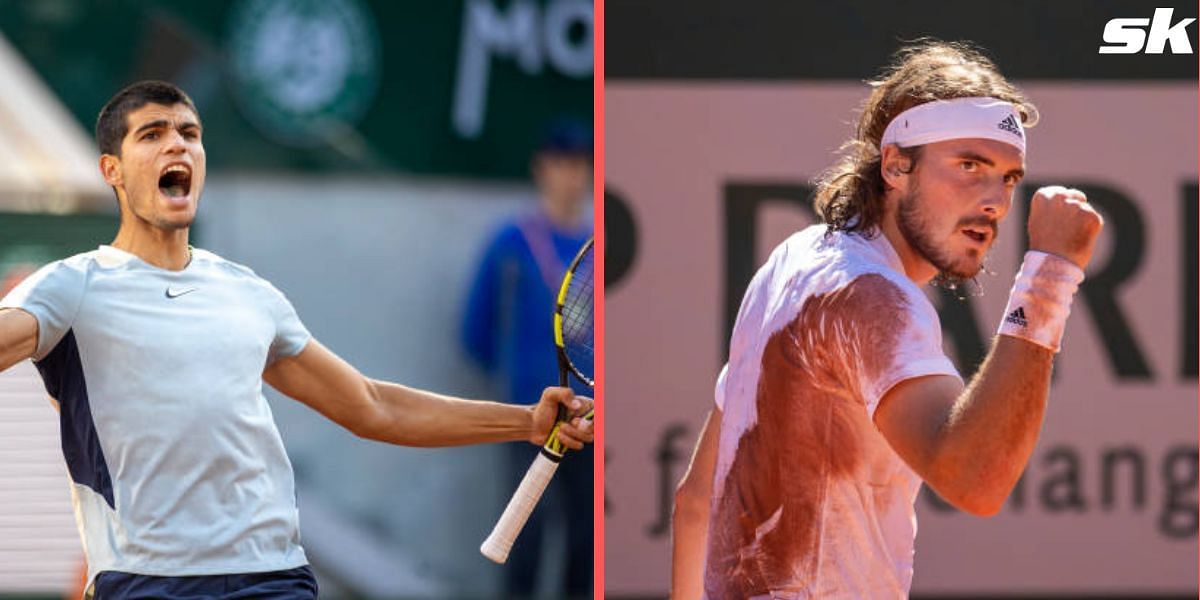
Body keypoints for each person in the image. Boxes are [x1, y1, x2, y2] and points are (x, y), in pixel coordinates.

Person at [0, 80, 593, 599]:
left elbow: (373, 406)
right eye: (152, 134)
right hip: (146, 580)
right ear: (113, 171)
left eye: (190, 132)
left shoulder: (248, 294)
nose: (178, 144)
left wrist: (526, 421)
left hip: (272, 577)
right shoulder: (73, 287)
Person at [670, 41, 1104, 599]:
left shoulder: (794, 262)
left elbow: (695, 504)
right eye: (969, 165)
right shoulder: (872, 298)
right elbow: (976, 479)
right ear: (896, 164)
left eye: (1008, 178)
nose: (995, 200)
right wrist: (1050, 274)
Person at [461, 117, 593, 598]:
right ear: (541, 168)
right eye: (561, 162)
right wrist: (519, 394)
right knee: (525, 541)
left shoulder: (594, 247)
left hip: (588, 424)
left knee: (585, 543)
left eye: (580, 163)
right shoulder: (508, 244)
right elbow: (475, 332)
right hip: (528, 419)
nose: (571, 175)